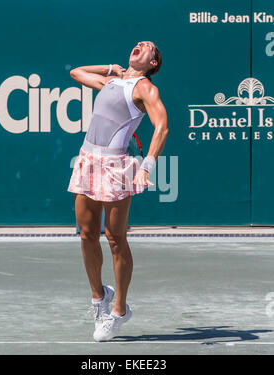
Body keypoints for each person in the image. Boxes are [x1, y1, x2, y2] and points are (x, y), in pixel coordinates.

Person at [67, 41, 168, 341]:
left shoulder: (145, 89)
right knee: (86, 234)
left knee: (115, 239)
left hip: (115, 166)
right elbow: (76, 72)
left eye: (148, 47)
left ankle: (120, 310)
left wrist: (147, 166)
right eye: (139, 43)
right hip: (87, 160)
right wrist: (113, 68)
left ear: (153, 64)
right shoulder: (111, 81)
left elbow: (161, 126)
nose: (140, 45)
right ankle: (99, 299)